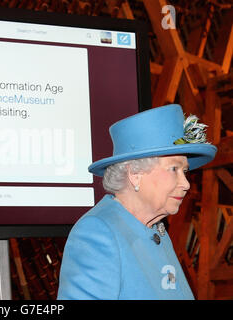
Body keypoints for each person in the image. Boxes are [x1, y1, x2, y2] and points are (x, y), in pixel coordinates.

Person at [57, 104, 217, 300]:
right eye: (174, 169)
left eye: (184, 171)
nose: (185, 184)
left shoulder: (155, 230)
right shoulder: (97, 232)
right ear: (135, 174)